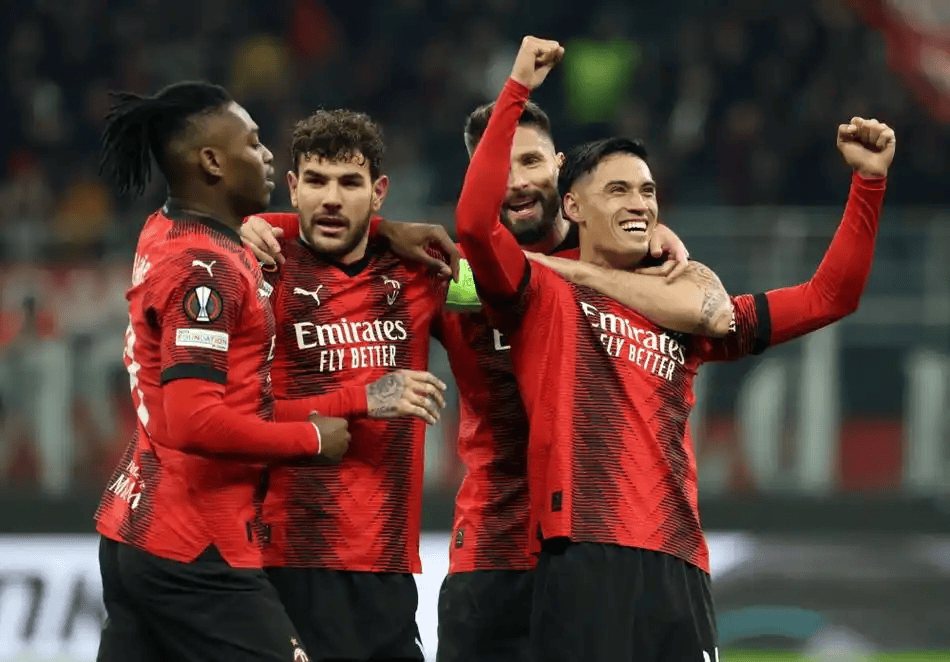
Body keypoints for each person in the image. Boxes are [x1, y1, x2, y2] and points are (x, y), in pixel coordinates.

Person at [456, 37, 893, 662]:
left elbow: (830, 297)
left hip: (680, 558)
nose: (638, 204)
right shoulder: (540, 292)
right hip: (584, 553)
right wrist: (518, 84)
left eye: (648, 192)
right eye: (618, 191)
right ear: (573, 205)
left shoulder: (684, 312)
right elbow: (475, 225)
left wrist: (868, 183)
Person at [241, 105, 691, 662]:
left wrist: (654, 232)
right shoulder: (455, 276)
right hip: (488, 556)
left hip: (596, 550)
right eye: (497, 168)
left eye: (530, 162)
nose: (516, 181)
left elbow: (713, 307)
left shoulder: (622, 272)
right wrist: (262, 225)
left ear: (559, 168)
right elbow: (339, 234)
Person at [94, 81, 350, 662]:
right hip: (196, 542)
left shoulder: (167, 229)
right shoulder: (204, 271)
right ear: (211, 161)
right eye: (253, 143)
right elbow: (195, 420)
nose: (267, 155)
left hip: (138, 523)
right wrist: (309, 439)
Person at [254, 109, 452, 662]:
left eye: (349, 182)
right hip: (291, 558)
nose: (331, 199)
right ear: (293, 187)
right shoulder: (262, 270)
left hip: (388, 562)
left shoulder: (420, 273)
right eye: (316, 181)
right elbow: (233, 417)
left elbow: (495, 277)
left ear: (379, 192)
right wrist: (363, 400)